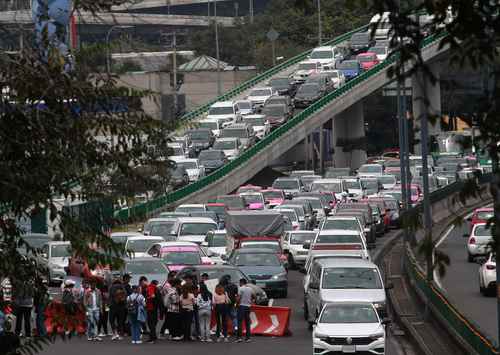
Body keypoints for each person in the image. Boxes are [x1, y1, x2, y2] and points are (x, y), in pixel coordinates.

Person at [235, 278, 255, 343]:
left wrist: (236, 304)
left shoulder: (240, 288)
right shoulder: (250, 289)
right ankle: (248, 338)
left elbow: (238, 298)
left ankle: (239, 338)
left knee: (240, 322)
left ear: (241, 283)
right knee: (247, 323)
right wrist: (251, 301)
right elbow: (254, 296)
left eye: (239, 283)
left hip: (241, 306)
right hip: (248, 307)